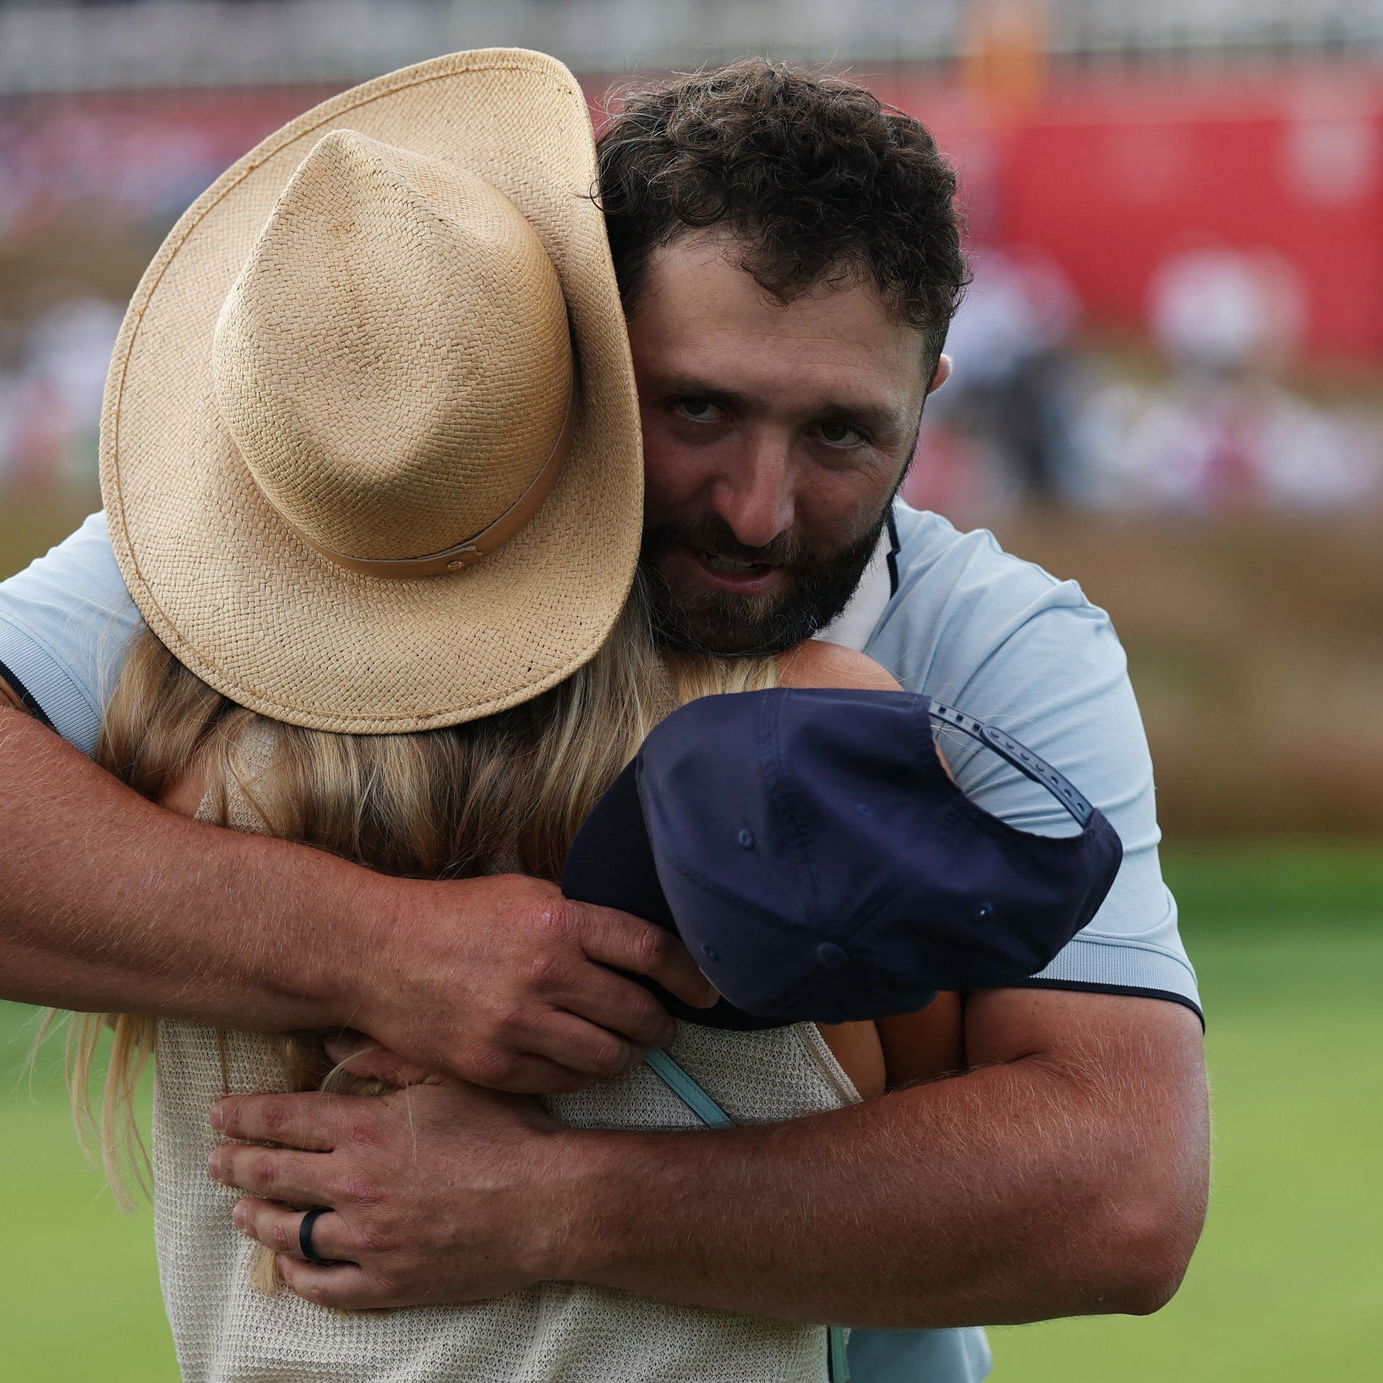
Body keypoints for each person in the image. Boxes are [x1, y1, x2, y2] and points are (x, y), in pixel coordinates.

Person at [0, 51, 1208, 1383]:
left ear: (931, 399)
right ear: (582, 346)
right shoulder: (313, 535)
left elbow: (1122, 1197)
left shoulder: (996, 642)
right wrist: (378, 949)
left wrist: (554, 1204)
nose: (758, 508)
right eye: (698, 408)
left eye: (840, 437)